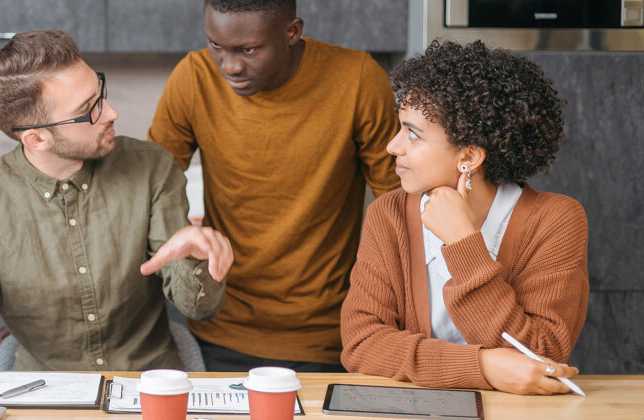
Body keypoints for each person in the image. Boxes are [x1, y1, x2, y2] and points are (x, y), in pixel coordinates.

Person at [0, 30, 233, 371]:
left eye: (101, 94)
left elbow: (199, 308)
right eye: (89, 110)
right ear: (37, 138)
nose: (111, 112)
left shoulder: (152, 167)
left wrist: (196, 257)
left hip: (146, 387)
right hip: (43, 395)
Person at [148, 0, 400, 372]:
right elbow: (151, 187)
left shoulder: (357, 78)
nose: (230, 66)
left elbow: (400, 204)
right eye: (216, 45)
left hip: (330, 337)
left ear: (291, 31)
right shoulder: (194, 77)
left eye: (248, 50)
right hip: (219, 330)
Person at [340, 40, 590, 395]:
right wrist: (482, 367)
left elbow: (543, 357)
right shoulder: (389, 215)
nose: (392, 147)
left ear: (469, 156)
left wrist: (463, 244)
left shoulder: (556, 220)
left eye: (413, 133)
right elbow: (362, 344)